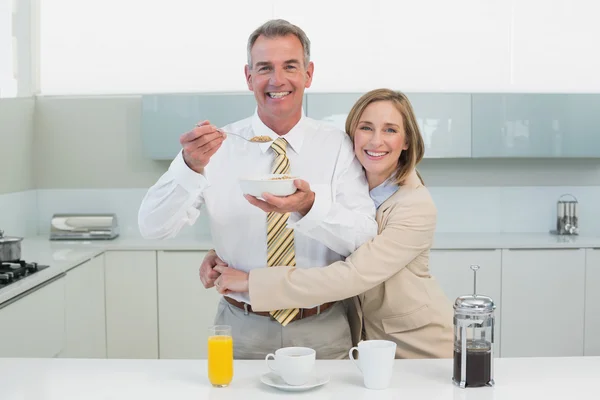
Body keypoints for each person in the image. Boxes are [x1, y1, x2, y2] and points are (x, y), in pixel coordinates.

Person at [137, 19, 378, 360]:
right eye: (264, 68)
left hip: (322, 327)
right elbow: (152, 227)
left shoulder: (338, 145)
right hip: (241, 328)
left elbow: (364, 238)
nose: (277, 80)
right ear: (249, 77)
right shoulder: (214, 149)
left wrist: (311, 207)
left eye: (289, 67)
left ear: (308, 74)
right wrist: (188, 167)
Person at [209, 88, 454, 359]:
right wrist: (226, 255)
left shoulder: (415, 207)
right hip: (365, 341)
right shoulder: (347, 187)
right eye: (366, 128)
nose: (376, 141)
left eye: (390, 130)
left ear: (407, 141)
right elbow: (325, 239)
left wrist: (252, 281)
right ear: (352, 135)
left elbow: (352, 275)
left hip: (414, 345)